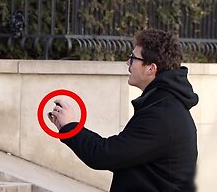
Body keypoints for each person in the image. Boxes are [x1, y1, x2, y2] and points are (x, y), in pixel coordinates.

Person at [49, 28, 198, 192]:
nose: (128, 63)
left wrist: (71, 127)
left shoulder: (162, 115)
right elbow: (124, 157)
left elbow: (105, 155)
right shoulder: (163, 106)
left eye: (133, 58)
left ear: (151, 68)